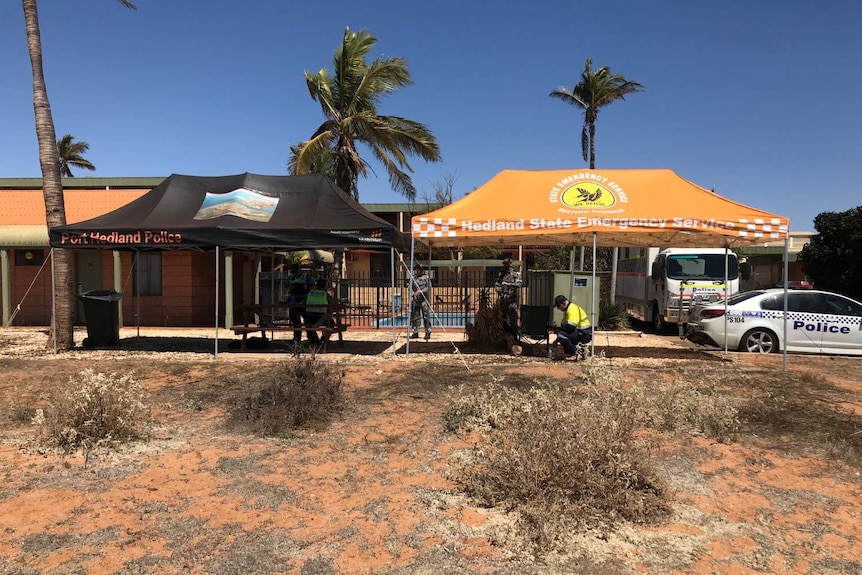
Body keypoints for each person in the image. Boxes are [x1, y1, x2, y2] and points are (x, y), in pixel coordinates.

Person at [553, 294, 592, 360]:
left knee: (562, 335)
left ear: (564, 303)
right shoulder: (567, 310)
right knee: (562, 334)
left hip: (584, 333)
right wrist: (557, 339)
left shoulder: (572, 309)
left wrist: (559, 333)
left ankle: (575, 354)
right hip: (581, 332)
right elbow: (565, 325)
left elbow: (571, 326)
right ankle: (580, 353)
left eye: (559, 306)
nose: (558, 308)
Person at [494, 257, 522, 337]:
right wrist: (498, 289)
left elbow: (519, 284)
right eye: (504, 264)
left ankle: (514, 337)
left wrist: (508, 284)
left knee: (513, 319)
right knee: (504, 320)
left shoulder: (515, 274)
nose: (505, 265)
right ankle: (506, 337)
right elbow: (497, 284)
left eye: (507, 264)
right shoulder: (501, 274)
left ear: (510, 264)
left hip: (512, 301)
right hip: (503, 300)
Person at [304, 278, 335, 346]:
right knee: (332, 324)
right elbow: (333, 305)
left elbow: (302, 303)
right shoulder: (326, 295)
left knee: (309, 325)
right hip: (322, 317)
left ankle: (314, 341)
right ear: (324, 287)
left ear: (316, 286)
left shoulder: (310, 293)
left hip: (310, 317)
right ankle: (324, 339)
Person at [288, 263, 315, 342]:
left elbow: (313, 286)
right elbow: (286, 286)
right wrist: (289, 287)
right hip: (294, 301)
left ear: (299, 271)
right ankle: (297, 338)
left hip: (304, 301)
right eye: (294, 272)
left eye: (296, 272)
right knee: (295, 321)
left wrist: (307, 287)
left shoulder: (306, 277)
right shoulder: (291, 277)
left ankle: (311, 338)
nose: (295, 274)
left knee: (307, 320)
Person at [409, 264, 432, 340]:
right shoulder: (413, 278)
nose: (418, 270)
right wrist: (414, 294)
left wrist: (420, 292)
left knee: (426, 316)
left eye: (420, 269)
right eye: (417, 269)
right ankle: (415, 331)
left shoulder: (426, 278)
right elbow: (410, 287)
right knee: (415, 316)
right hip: (416, 300)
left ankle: (427, 332)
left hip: (424, 300)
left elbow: (429, 288)